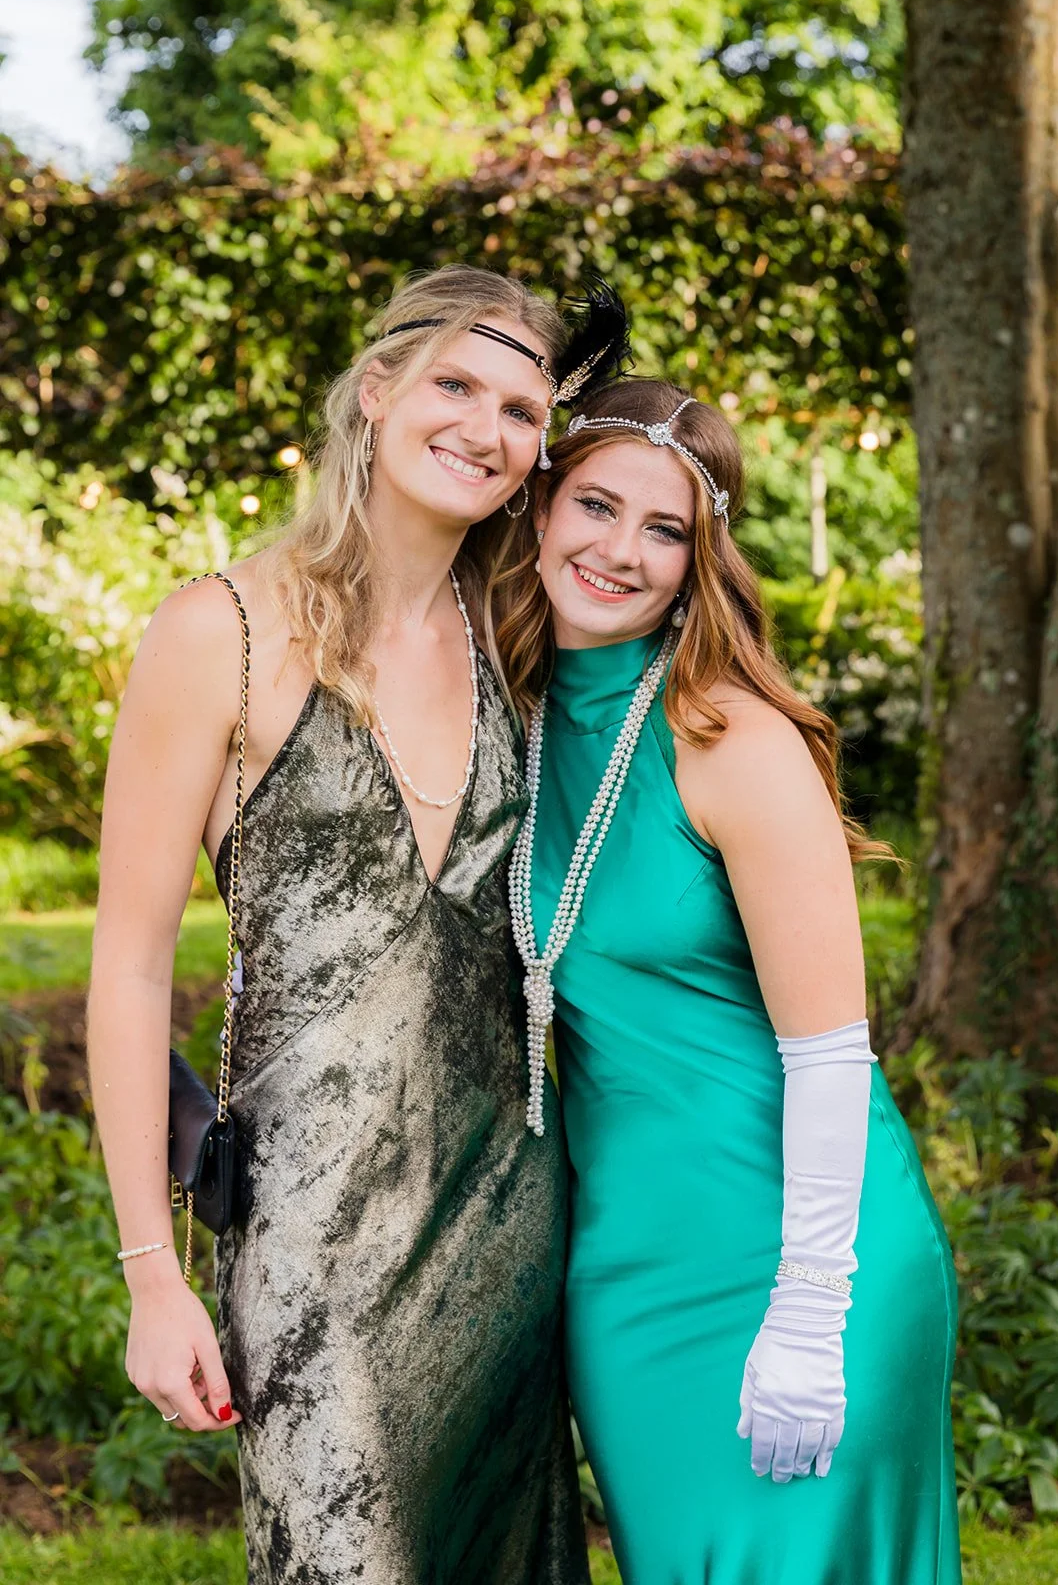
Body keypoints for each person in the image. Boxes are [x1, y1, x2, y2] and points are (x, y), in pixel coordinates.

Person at [87, 264, 623, 1584]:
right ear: (376, 392)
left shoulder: (520, 635)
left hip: (506, 1229)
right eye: (456, 384)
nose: (487, 429)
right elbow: (125, 969)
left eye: (521, 410)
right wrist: (152, 1275)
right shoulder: (222, 632)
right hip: (310, 1246)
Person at [491, 377, 961, 1584]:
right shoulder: (509, 720)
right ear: (538, 506)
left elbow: (825, 1054)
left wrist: (809, 1308)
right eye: (595, 505)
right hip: (625, 1270)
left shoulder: (731, 739)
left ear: (700, 560)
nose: (619, 551)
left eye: (664, 530)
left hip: (797, 1251)